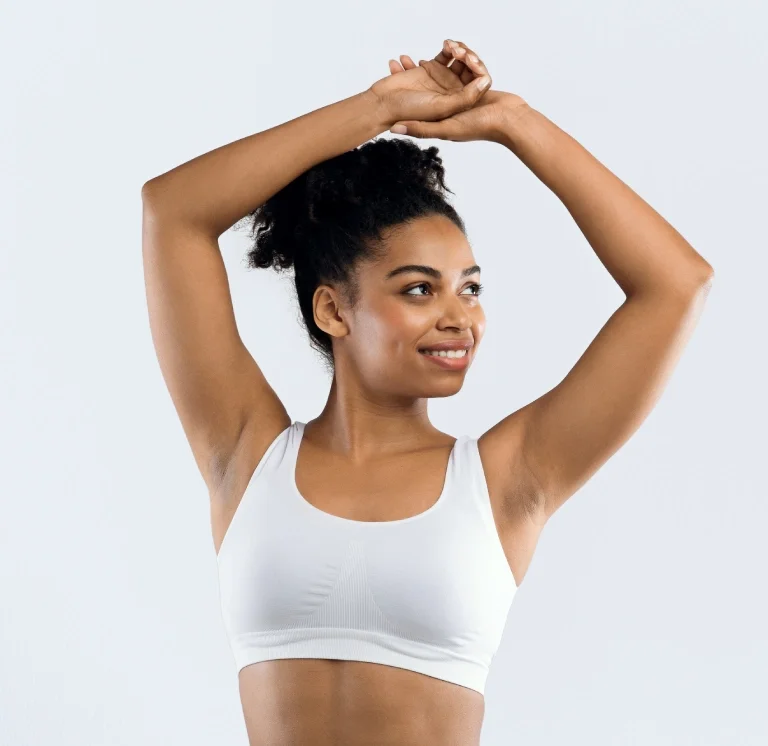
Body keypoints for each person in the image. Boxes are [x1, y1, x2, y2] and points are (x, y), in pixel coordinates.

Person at [141, 38, 714, 746]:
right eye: (420, 289)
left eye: (470, 289)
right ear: (333, 310)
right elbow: (172, 211)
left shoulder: (507, 480)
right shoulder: (246, 454)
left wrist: (515, 123)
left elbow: (676, 284)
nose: (460, 317)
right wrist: (380, 107)